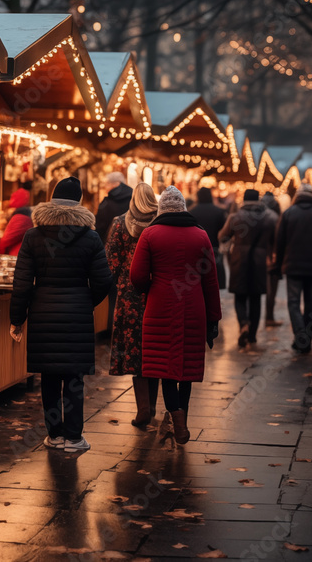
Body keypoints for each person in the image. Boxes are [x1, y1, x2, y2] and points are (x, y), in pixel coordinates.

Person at [10, 177, 112, 453]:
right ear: (79, 202)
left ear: (52, 200)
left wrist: (17, 319)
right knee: (74, 379)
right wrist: (86, 301)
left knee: (50, 378)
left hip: (43, 312)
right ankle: (74, 438)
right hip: (77, 315)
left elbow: (21, 282)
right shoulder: (90, 238)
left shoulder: (33, 236)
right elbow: (104, 281)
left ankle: (54, 435)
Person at [130, 186, 222, 445]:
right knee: (187, 367)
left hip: (160, 306)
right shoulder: (201, 236)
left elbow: (136, 275)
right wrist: (213, 317)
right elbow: (210, 280)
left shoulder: (149, 234)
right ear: (183, 207)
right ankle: (181, 422)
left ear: (161, 209)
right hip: (194, 307)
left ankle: (178, 422)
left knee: (166, 366)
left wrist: (151, 288)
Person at [106, 183, 160, 427]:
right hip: (157, 294)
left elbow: (112, 262)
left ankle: (143, 410)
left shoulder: (120, 223)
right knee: (154, 350)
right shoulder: (161, 224)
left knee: (135, 351)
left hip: (129, 297)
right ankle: (153, 407)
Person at [274, 183, 312, 354]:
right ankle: (306, 338)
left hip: (293, 266)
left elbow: (280, 242)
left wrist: (278, 267)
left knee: (293, 303)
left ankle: (300, 337)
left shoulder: (288, 214)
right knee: (311, 304)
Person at [220, 189, 278, 347]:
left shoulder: (235, 217)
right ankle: (252, 335)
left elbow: (223, 237)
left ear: (244, 201)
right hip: (260, 260)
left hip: (239, 259)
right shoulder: (269, 217)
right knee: (256, 297)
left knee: (240, 296)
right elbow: (275, 239)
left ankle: (243, 323)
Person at [190, 187, 227, 289]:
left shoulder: (192, 212)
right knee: (214, 282)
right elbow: (223, 232)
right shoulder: (219, 212)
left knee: (199, 283)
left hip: (197, 250)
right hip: (214, 249)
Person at [261, 191, 283, 328]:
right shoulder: (276, 216)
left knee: (255, 291)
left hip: (258, 256)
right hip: (272, 257)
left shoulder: (258, 213)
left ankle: (249, 321)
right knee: (271, 289)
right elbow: (279, 239)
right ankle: (269, 317)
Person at [95, 172, 133, 242]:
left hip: (110, 243)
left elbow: (99, 227)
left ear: (116, 183)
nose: (105, 186)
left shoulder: (106, 203)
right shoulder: (133, 199)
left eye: (107, 183)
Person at [0, 187, 33, 256]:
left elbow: (5, 241)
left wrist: (2, 256)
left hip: (16, 257)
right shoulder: (28, 215)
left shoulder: (20, 217)